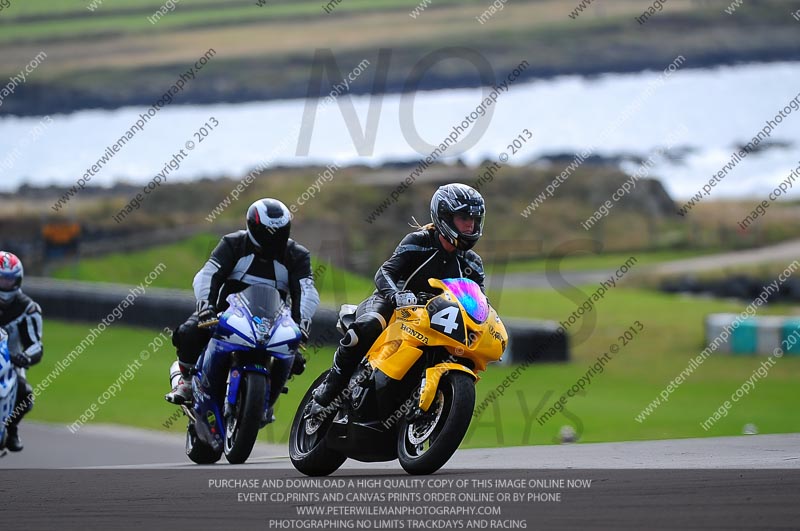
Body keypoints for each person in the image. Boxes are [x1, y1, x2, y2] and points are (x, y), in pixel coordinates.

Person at [311, 183, 486, 411]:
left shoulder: (473, 263)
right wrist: (396, 295)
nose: (470, 225)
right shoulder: (419, 241)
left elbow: (479, 301)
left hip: (435, 318)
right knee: (367, 327)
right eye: (464, 218)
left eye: (474, 219)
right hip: (391, 304)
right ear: (444, 217)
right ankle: (330, 388)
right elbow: (385, 272)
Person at [166, 198, 320, 409]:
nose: (271, 239)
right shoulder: (233, 243)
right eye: (266, 232)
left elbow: (306, 290)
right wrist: (206, 306)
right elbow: (207, 275)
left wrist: (301, 323)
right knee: (189, 332)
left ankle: (265, 401)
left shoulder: (297, 255)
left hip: (273, 323)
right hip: (223, 314)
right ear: (252, 226)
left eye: (278, 232)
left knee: (295, 359)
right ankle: (187, 381)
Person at [0, 252, 43, 452]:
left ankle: (12, 428)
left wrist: (25, 357)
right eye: (1, 278)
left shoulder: (28, 309)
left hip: (10, 362)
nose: (4, 284)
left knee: (25, 394)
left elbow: (36, 345)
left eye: (8, 279)